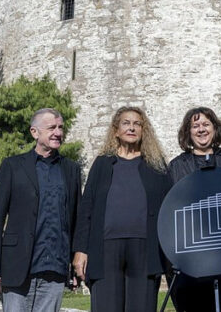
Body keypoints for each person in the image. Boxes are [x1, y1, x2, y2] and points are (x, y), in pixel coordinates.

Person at [73, 107, 172, 312]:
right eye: (126, 123)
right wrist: (80, 250)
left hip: (146, 249)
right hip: (105, 249)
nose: (131, 128)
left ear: (144, 131)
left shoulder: (156, 166)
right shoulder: (102, 164)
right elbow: (86, 208)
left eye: (137, 124)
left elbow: (169, 208)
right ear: (116, 130)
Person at [0, 108, 82, 312]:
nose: (58, 133)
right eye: (52, 128)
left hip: (55, 268)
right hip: (17, 266)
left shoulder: (71, 169)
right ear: (34, 132)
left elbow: (75, 220)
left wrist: (74, 265)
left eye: (61, 128)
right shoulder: (12, 166)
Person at [166, 106, 221, 312]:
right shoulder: (177, 166)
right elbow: (172, 211)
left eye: (206, 124)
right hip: (193, 255)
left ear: (215, 128)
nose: (201, 129)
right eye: (195, 126)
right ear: (188, 132)